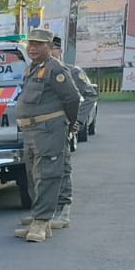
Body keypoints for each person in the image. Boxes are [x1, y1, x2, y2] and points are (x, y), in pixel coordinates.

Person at [13, 27, 83, 243]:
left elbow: (72, 98)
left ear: (49, 46)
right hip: (31, 131)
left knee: (48, 175)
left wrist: (70, 123)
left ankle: (42, 222)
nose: (32, 48)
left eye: (38, 44)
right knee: (34, 175)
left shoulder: (55, 68)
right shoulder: (33, 68)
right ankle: (38, 216)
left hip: (49, 129)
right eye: (30, 44)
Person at [51, 35, 99, 229]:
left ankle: (63, 211)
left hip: (63, 127)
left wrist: (77, 121)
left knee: (62, 169)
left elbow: (90, 95)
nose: (49, 53)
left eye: (52, 48)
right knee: (43, 172)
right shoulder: (38, 72)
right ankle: (47, 211)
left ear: (59, 50)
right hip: (43, 130)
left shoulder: (72, 72)